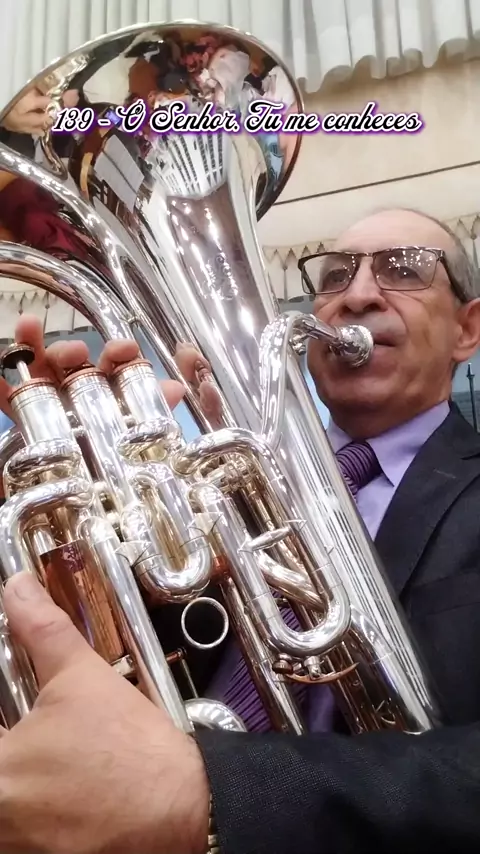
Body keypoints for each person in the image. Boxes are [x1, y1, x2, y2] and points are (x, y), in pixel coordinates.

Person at [1, 206, 480, 852]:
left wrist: (213, 796)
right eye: (335, 275)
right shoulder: (214, 481)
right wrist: (81, 530)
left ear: (467, 330)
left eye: (402, 269)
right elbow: (136, 665)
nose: (358, 295)